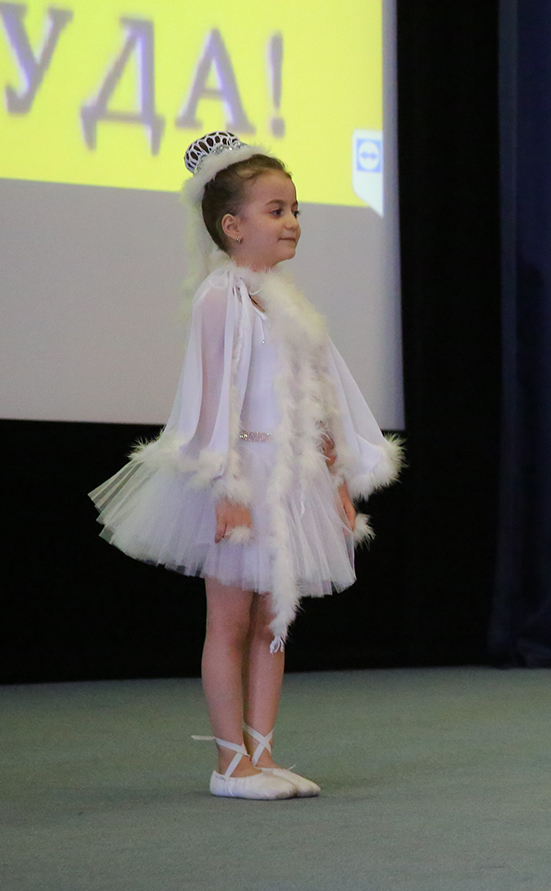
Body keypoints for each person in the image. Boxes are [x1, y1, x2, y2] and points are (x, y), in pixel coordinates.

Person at [90, 132, 401, 797]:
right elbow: (213, 398)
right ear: (232, 226)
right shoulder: (220, 296)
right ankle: (229, 763)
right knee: (229, 622)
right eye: (275, 210)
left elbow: (319, 397)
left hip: (292, 478)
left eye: (295, 210)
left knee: (273, 619)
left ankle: (263, 752)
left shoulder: (288, 302)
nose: (292, 222)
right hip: (240, 474)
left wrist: (337, 479)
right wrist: (224, 487)